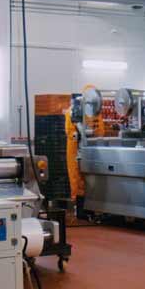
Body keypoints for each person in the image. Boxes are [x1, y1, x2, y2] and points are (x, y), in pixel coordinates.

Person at [64, 85, 106, 213]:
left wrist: (93, 135)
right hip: (76, 150)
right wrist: (80, 134)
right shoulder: (72, 111)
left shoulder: (95, 113)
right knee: (76, 178)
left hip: (91, 150)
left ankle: (91, 208)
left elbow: (100, 131)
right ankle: (80, 209)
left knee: (91, 179)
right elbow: (71, 132)